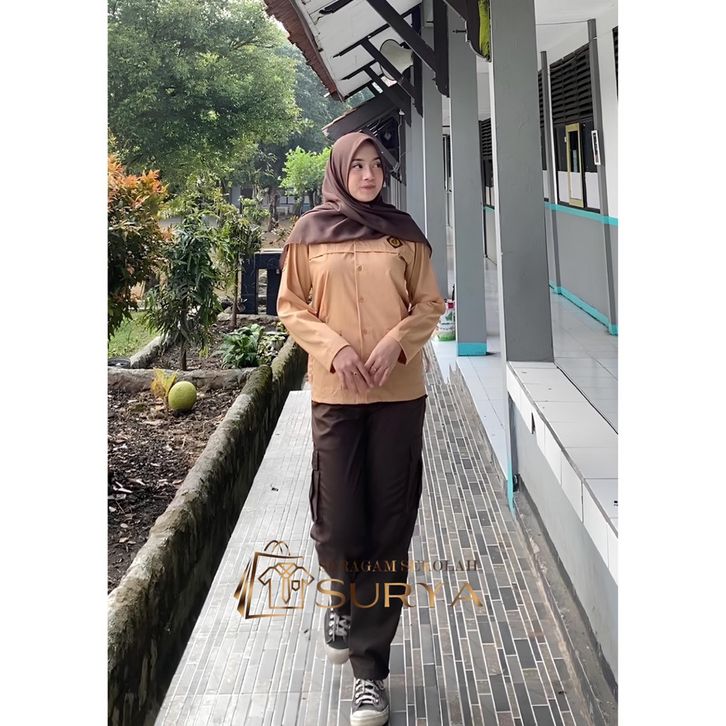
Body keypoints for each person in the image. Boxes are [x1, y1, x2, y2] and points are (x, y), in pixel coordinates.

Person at [276, 131, 446, 726]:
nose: (369, 175)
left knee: (389, 526)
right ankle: (340, 593)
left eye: (377, 166)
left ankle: (369, 672)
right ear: (339, 172)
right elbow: (292, 306)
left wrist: (398, 341)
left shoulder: (404, 233)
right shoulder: (308, 234)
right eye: (359, 167)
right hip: (336, 394)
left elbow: (430, 304)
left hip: (398, 396)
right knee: (340, 519)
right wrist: (335, 348)